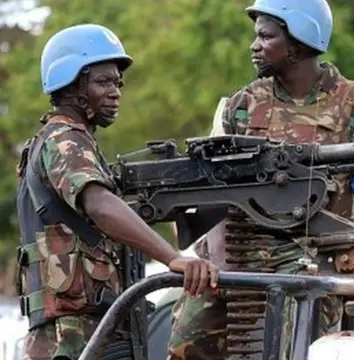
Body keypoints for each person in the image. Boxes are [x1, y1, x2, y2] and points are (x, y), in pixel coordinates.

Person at [167, 1, 354, 359]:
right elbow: (215, 190)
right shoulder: (243, 104)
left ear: (298, 42)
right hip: (240, 256)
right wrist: (220, 262)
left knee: (298, 350)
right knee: (187, 347)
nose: (254, 46)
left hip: (314, 260)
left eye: (266, 36)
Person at [15, 24, 219, 360]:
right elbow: (99, 205)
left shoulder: (62, 142)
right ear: (72, 84)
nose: (116, 92)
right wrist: (173, 257)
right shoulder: (64, 140)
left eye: (118, 83)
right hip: (77, 337)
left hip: (79, 333)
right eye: (103, 82)